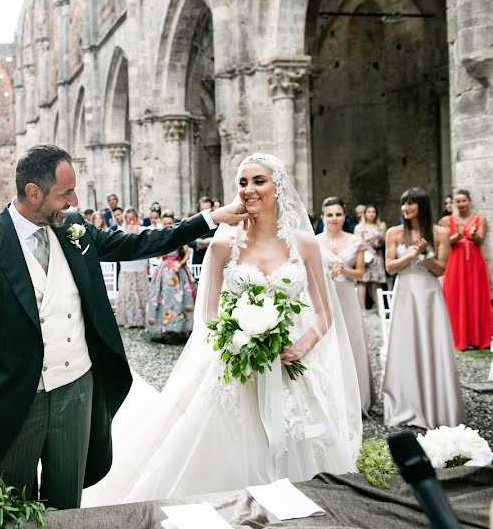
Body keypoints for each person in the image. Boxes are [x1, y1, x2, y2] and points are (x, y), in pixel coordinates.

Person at [0, 144, 246, 510]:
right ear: (32, 193)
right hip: (16, 398)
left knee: (66, 500)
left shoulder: (72, 227)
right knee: (10, 503)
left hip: (77, 388)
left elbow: (137, 243)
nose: (73, 200)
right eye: (65, 192)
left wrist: (210, 218)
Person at [87, 153, 361, 505]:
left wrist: (301, 345)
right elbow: (210, 314)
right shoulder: (223, 244)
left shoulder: (304, 243)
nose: (249, 190)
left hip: (289, 366)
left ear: (278, 187)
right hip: (235, 365)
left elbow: (323, 314)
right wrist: (241, 340)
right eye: (243, 183)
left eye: (259, 181)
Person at [383, 187, 464, 429]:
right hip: (405, 292)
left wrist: (425, 253)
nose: (405, 208)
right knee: (405, 345)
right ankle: (406, 405)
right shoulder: (394, 232)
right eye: (403, 204)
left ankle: (436, 405)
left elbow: (440, 269)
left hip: (429, 294)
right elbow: (390, 267)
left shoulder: (440, 232)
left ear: (422, 206)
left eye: (411, 204)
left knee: (432, 344)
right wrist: (411, 255)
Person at [316, 197, 373, 416]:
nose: (334, 219)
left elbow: (360, 273)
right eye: (329, 215)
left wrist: (345, 272)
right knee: (327, 344)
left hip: (347, 295)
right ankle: (328, 400)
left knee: (351, 342)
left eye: (338, 214)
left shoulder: (355, 240)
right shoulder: (314, 241)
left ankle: (355, 400)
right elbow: (310, 274)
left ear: (344, 216)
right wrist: (329, 274)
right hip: (325, 298)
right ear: (323, 217)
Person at [440, 189, 491, 351]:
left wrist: (474, 235)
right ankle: (457, 338)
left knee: (475, 296)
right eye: (458, 201)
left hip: (474, 263)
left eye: (464, 201)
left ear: (469, 202)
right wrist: (455, 237)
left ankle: (477, 338)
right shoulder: (447, 220)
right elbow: (442, 242)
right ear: (454, 204)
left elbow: (480, 240)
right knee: (455, 296)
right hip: (455, 262)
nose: (461, 204)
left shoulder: (479, 219)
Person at [145, 211, 195, 344]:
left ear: (173, 223)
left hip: (177, 271)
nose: (167, 225)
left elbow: (187, 254)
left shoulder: (179, 236)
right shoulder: (161, 237)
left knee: (180, 298)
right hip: (164, 270)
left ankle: (180, 329)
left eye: (169, 223)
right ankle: (164, 329)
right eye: (165, 223)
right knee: (162, 298)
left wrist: (180, 263)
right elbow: (156, 254)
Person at [114, 209, 147, 329]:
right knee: (127, 293)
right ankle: (127, 319)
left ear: (136, 217)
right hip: (127, 265)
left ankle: (141, 319)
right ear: (125, 218)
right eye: (128, 217)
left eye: (133, 217)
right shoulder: (121, 231)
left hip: (139, 264)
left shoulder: (143, 230)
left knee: (140, 292)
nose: (131, 220)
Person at [354, 205, 386, 314]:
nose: (371, 214)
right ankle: (362, 309)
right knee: (363, 281)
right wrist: (371, 238)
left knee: (377, 282)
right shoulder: (360, 227)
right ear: (365, 213)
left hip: (377, 255)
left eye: (373, 211)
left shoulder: (380, 226)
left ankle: (379, 308)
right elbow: (356, 242)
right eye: (369, 211)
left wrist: (381, 236)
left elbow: (385, 242)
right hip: (365, 255)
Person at [190, 197, 216, 265]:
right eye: (202, 209)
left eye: (207, 209)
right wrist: (197, 244)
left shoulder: (218, 224)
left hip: (214, 259)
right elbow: (188, 240)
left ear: (212, 208)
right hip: (198, 261)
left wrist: (209, 242)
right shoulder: (194, 223)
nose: (205, 212)